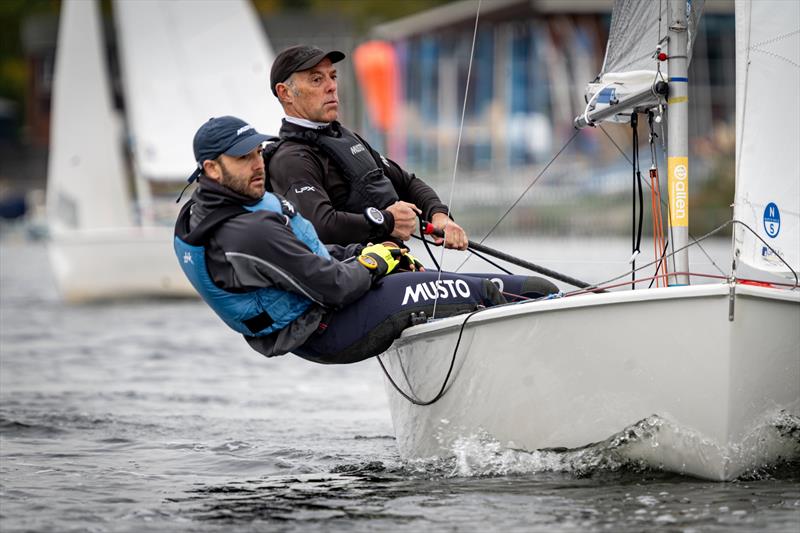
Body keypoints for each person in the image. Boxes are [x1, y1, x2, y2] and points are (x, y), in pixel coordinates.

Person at [174, 116, 514, 364]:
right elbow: (334, 286)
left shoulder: (201, 211)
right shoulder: (248, 231)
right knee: (503, 291)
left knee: (490, 286)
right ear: (212, 169)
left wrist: (364, 250)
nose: (257, 164)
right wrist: (377, 260)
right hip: (330, 328)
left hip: (317, 320)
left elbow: (308, 254)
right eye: (243, 158)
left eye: (258, 153)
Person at [265, 44, 469, 250]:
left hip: (393, 263)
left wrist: (440, 216)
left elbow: (407, 183)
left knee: (493, 283)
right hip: (352, 273)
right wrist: (387, 220)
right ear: (285, 93)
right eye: (317, 79)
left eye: (333, 77)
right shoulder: (291, 159)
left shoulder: (347, 138)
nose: (331, 86)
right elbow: (320, 226)